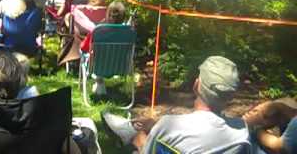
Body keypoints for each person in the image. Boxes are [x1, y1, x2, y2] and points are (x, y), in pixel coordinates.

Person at [102, 56, 251, 153]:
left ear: (196, 85)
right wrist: (156, 125)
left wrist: (141, 140)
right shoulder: (241, 134)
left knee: (139, 137)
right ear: (230, 96)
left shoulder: (169, 126)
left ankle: (127, 132)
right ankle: (127, 130)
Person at [80, 1, 127, 96]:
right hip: (120, 68)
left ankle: (98, 82)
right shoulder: (129, 32)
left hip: (98, 67)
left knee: (83, 52)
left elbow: (84, 47)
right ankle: (100, 84)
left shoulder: (98, 31)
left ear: (108, 14)